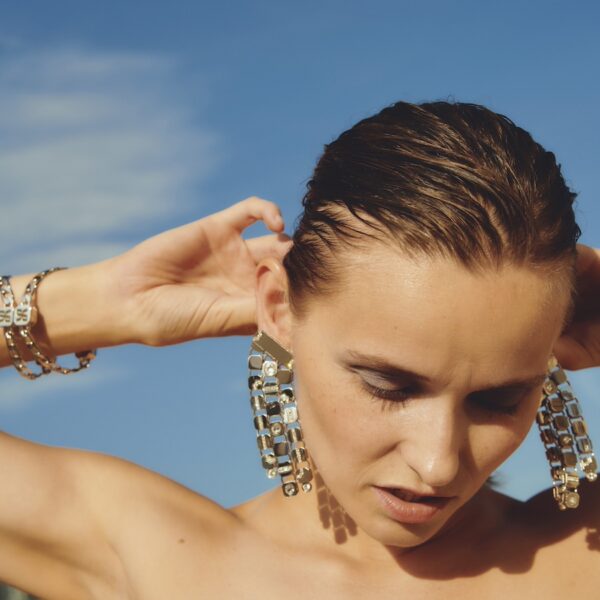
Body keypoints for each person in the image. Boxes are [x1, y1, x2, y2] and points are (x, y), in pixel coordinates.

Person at [0, 100, 599, 600]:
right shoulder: (161, 559)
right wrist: (108, 301)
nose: (438, 462)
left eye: (499, 398)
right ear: (280, 311)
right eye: (389, 385)